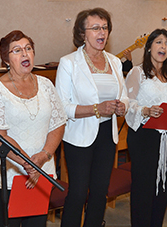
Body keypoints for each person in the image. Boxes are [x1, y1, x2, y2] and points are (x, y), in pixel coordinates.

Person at [0, 30, 66, 227]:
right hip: (11, 170)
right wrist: (28, 163)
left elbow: (58, 123)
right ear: (6, 60)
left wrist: (43, 156)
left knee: (37, 223)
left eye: (28, 49)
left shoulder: (45, 84)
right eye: (16, 50)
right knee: (9, 222)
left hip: (42, 167)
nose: (25, 54)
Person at [55, 8, 128, 227]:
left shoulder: (115, 62)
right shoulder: (69, 62)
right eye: (95, 28)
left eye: (105, 28)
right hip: (79, 136)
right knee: (77, 193)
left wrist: (122, 106)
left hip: (107, 134)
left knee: (99, 192)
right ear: (82, 33)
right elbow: (62, 107)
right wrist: (97, 109)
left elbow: (123, 95)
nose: (102, 32)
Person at [125, 28, 167, 227]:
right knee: (144, 186)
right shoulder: (138, 72)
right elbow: (127, 104)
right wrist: (145, 110)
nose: (163, 47)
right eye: (159, 42)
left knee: (164, 185)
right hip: (144, 136)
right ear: (149, 46)